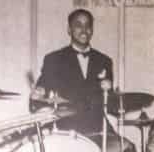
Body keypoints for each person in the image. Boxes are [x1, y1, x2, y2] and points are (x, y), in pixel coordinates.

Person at [30, 9, 114, 140]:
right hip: (66, 127)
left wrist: (109, 91)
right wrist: (38, 94)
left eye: (88, 25)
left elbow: (111, 104)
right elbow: (39, 96)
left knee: (127, 149)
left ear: (92, 29)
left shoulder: (104, 61)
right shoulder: (54, 59)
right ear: (69, 30)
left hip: (97, 127)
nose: (84, 29)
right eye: (78, 25)